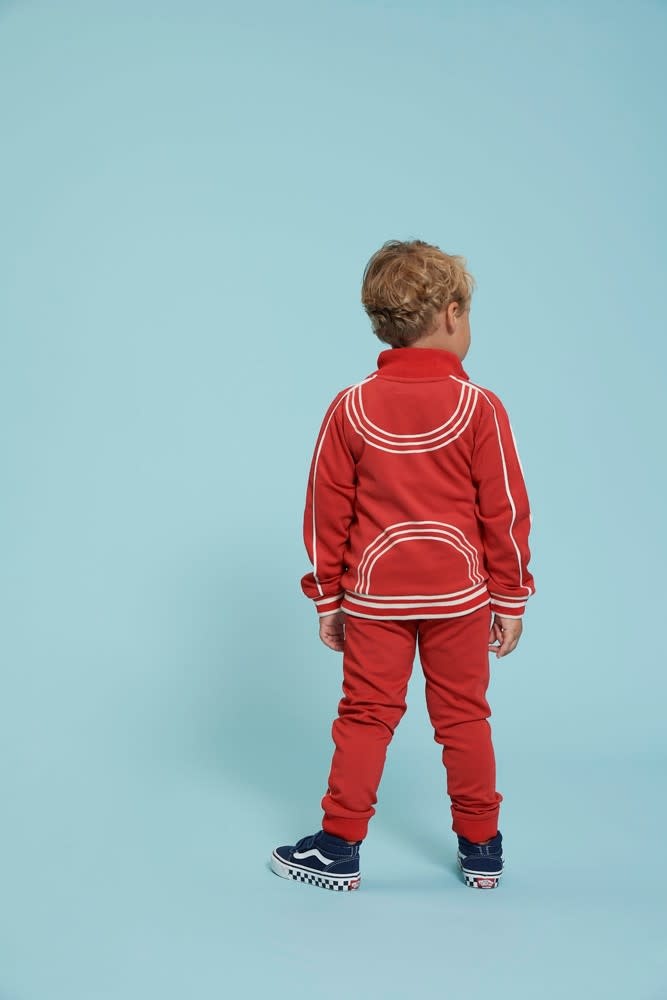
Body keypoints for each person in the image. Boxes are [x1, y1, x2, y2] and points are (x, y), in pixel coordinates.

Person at [270, 239, 536, 891]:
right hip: (460, 597)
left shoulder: (349, 407)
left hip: (373, 598)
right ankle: (482, 848)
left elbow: (324, 513)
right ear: (451, 314)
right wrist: (510, 598)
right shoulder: (480, 408)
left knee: (365, 716)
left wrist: (327, 597)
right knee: (464, 718)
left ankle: (339, 847)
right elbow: (504, 510)